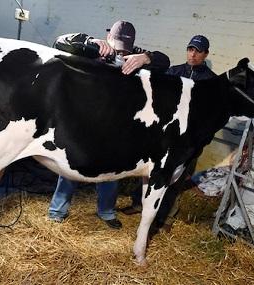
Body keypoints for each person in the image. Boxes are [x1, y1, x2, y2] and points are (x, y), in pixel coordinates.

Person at [48, 20, 170, 229]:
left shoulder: (136, 55)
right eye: (116, 49)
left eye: (125, 51)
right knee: (70, 165)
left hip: (116, 126)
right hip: (85, 120)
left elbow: (165, 62)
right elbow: (59, 42)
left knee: (111, 171)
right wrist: (88, 41)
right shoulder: (91, 48)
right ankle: (57, 211)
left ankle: (106, 212)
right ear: (108, 39)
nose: (120, 55)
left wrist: (146, 57)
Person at [120, 35, 216, 233]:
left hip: (188, 141)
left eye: (198, 51)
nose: (193, 54)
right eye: (190, 49)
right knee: (149, 171)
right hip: (164, 135)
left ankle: (166, 217)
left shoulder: (210, 81)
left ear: (205, 54)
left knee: (177, 179)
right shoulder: (174, 72)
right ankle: (139, 204)